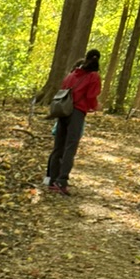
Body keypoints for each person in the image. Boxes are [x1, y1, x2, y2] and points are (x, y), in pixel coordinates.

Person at [46, 48, 102, 195]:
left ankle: (52, 179)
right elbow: (91, 96)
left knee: (59, 146)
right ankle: (62, 181)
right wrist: (95, 106)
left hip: (63, 111)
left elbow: (63, 89)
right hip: (77, 112)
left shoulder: (72, 75)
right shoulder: (94, 76)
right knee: (70, 147)